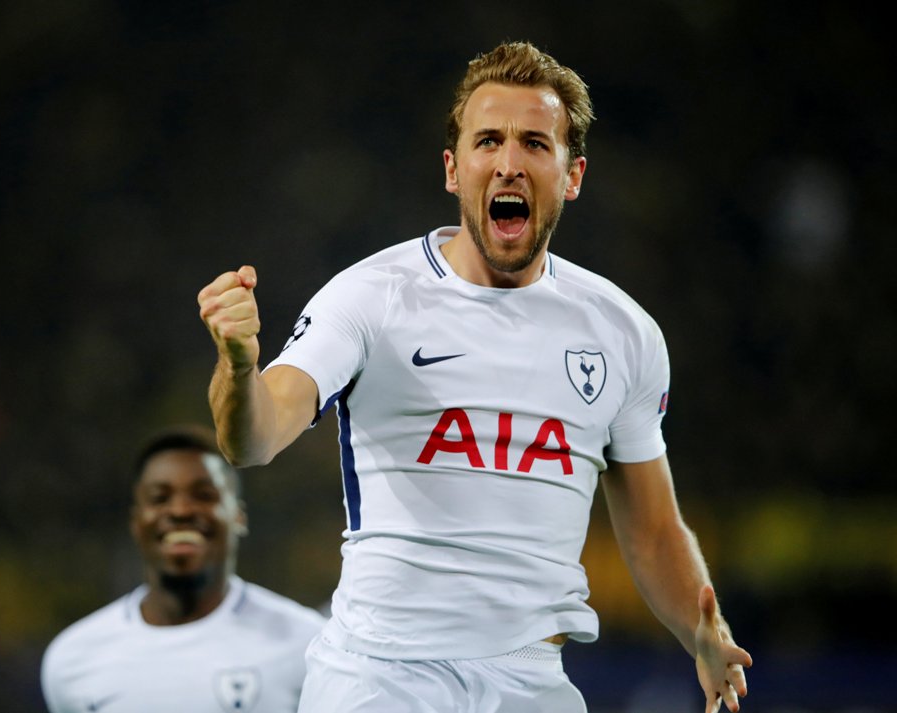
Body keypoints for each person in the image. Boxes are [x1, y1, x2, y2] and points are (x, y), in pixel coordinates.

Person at [197, 41, 752, 713]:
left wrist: (702, 628)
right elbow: (253, 437)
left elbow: (654, 528)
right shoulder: (372, 297)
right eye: (488, 140)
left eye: (534, 144)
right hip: (382, 676)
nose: (509, 163)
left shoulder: (623, 333)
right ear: (454, 170)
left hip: (532, 679)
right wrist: (238, 365)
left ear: (572, 174)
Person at [40, 425, 326, 713]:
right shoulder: (73, 660)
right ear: (136, 523)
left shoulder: (307, 645)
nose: (180, 511)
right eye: (159, 498)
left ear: (238, 517)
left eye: (203, 495)